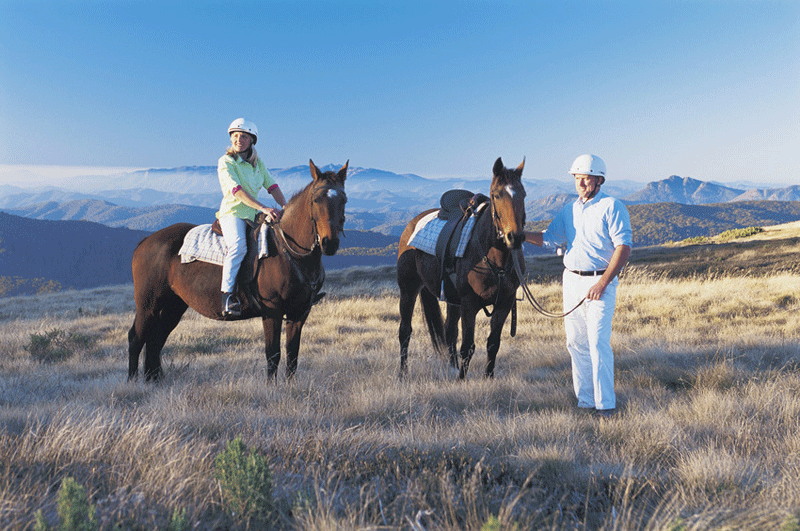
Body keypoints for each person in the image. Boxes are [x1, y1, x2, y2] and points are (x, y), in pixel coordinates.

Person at [525, 154, 631, 418]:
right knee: (575, 343)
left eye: (586, 178)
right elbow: (550, 239)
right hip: (571, 279)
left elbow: (623, 248)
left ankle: (605, 406)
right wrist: (519, 235)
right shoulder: (569, 209)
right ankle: (585, 401)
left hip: (599, 281)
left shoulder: (612, 206)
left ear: (598, 180)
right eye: (577, 178)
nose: (581, 183)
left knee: (597, 343)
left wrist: (603, 282)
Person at [217, 118, 287, 317]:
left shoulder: (258, 163)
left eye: (244, 136)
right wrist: (264, 208)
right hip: (233, 212)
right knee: (238, 246)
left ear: (252, 140)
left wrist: (285, 206)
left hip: (254, 212)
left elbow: (272, 186)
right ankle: (227, 296)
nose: (239, 140)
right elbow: (236, 191)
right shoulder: (226, 162)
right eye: (235, 136)